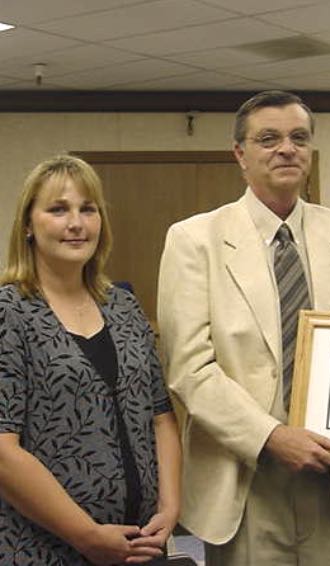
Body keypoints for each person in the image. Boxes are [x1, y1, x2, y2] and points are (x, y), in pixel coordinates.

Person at [157, 90, 330, 565]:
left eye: (298, 138)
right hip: (245, 482)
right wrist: (272, 437)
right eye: (269, 139)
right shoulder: (193, 239)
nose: (286, 148)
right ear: (240, 155)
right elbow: (189, 370)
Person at [0, 155, 182, 565]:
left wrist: (170, 509)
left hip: (139, 545)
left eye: (88, 208)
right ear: (28, 225)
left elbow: (160, 416)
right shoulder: (9, 311)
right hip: (42, 549)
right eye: (58, 209)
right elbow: (3, 450)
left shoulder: (124, 306)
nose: (76, 223)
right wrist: (87, 536)